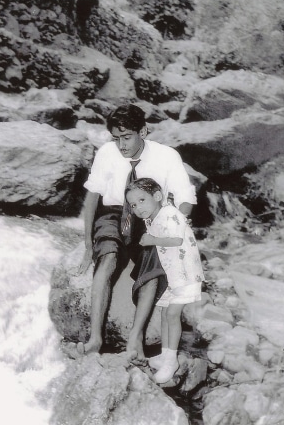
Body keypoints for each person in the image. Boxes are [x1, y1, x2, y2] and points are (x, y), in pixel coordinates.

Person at [77, 104, 197, 362]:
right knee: (107, 258)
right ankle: (95, 338)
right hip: (112, 213)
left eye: (127, 137)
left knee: (155, 265)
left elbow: (187, 197)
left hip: (149, 216)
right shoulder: (106, 153)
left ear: (143, 131)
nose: (121, 145)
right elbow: (92, 197)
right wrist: (88, 245)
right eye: (116, 138)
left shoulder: (167, 156)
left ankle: (135, 340)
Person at [125, 177, 204, 383]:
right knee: (164, 312)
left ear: (158, 196)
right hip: (173, 273)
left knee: (171, 313)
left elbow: (176, 240)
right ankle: (165, 354)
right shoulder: (152, 217)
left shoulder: (169, 213)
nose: (137, 207)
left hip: (186, 273)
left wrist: (153, 240)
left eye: (142, 200)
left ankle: (172, 361)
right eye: (133, 205)